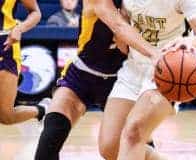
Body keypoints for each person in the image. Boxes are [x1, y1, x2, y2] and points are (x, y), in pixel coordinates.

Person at [93, 0, 196, 160]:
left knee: (133, 132)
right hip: (133, 69)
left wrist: (188, 41)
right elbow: (123, 17)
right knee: (110, 147)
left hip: (168, 73)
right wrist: (121, 33)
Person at [34, 0, 128, 159]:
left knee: (134, 140)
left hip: (124, 79)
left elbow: (125, 46)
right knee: (54, 129)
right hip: (83, 73)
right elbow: (119, 28)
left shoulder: (142, 5)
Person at [0, 0, 50, 125]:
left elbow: (36, 12)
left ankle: (42, 109)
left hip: (5, 45)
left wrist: (20, 29)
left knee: (6, 116)